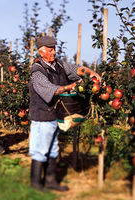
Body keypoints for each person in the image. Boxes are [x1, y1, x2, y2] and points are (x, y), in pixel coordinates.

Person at [29, 36, 101, 191]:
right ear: (41, 52)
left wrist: (92, 74)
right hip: (42, 116)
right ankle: (35, 184)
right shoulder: (37, 71)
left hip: (55, 115)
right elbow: (52, 90)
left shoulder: (59, 64)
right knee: (40, 150)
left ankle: (50, 182)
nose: (54, 52)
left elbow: (76, 70)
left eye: (54, 48)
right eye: (50, 49)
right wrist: (71, 86)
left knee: (53, 148)